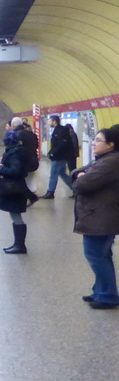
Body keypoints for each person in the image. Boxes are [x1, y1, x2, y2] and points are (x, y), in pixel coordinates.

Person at [71, 125, 119, 308]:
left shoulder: (110, 162)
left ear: (111, 145)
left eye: (99, 140)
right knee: (101, 255)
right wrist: (80, 175)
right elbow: (76, 173)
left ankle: (107, 296)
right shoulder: (105, 159)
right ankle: (101, 290)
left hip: (101, 216)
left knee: (96, 255)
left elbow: (82, 184)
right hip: (100, 214)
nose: (94, 143)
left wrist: (81, 177)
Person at [0, 129, 30, 254]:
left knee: (16, 216)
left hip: (15, 189)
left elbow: (15, 171)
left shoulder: (15, 153)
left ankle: (20, 245)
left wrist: (1, 168)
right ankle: (18, 244)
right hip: (15, 188)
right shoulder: (16, 151)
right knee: (14, 215)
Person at [41, 115, 74, 199]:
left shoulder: (60, 130)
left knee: (53, 174)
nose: (49, 123)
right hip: (61, 156)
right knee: (62, 173)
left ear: (54, 121)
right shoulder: (58, 130)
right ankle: (75, 188)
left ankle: (50, 192)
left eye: (50, 121)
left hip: (59, 156)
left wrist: (52, 153)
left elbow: (61, 144)